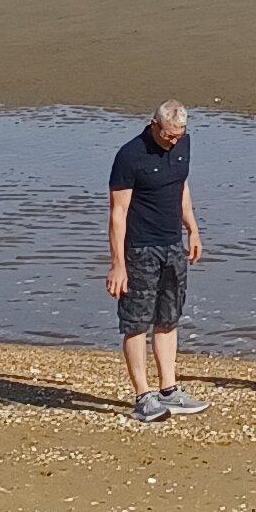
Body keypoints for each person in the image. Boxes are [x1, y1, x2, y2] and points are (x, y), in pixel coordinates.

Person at [106, 103, 206, 423]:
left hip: (172, 245)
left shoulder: (183, 144)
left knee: (168, 318)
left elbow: (182, 189)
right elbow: (117, 213)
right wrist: (118, 264)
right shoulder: (129, 156)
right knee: (136, 323)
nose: (173, 141)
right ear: (153, 125)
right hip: (139, 250)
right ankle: (143, 396)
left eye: (179, 135)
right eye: (168, 135)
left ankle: (169, 389)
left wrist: (192, 229)